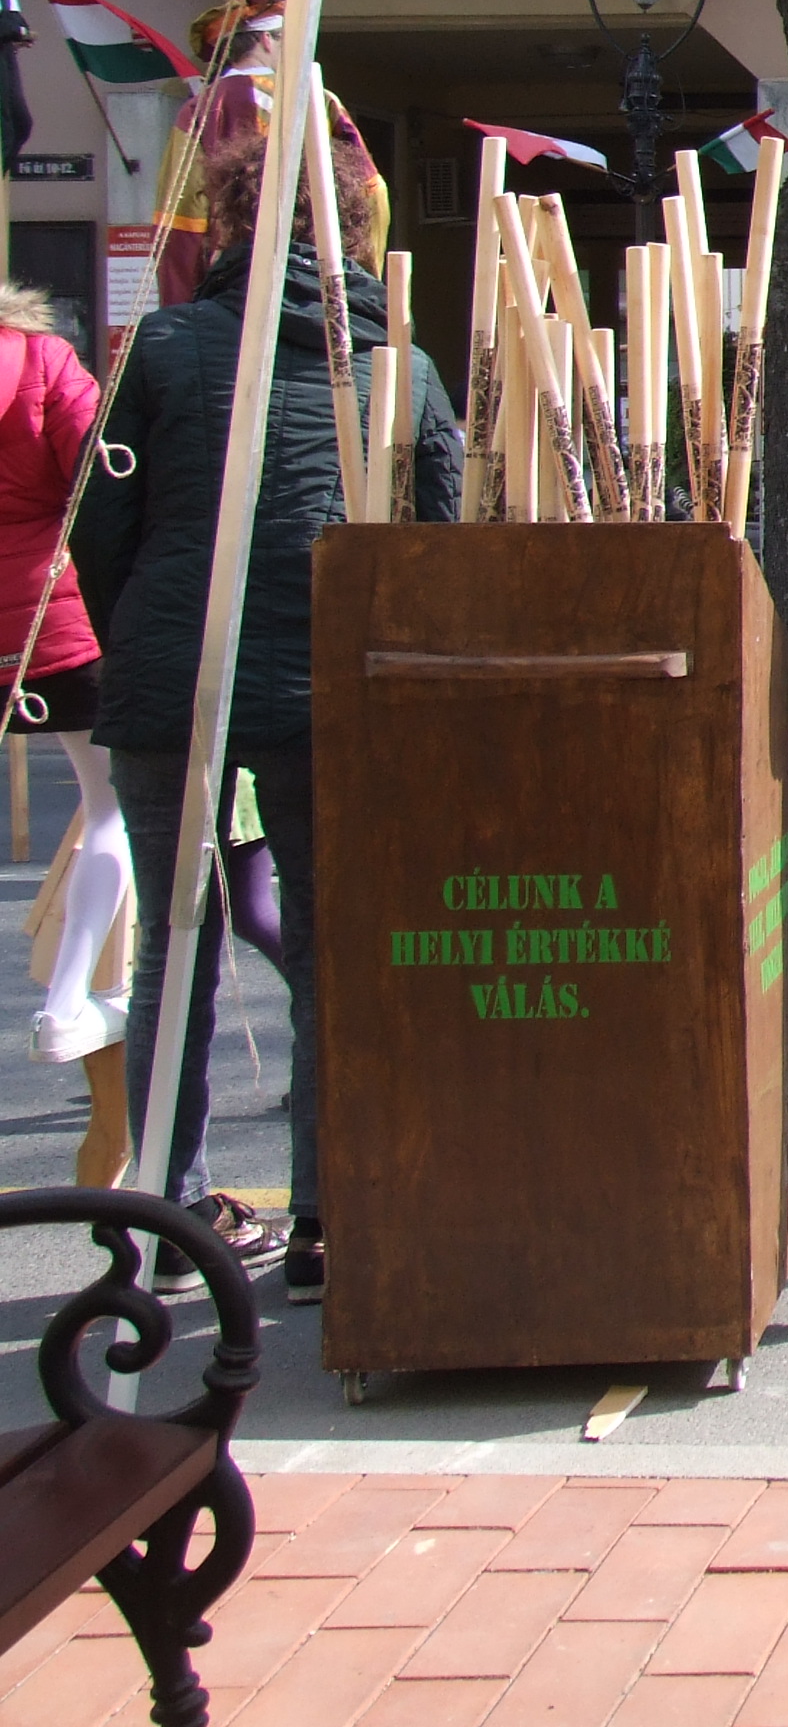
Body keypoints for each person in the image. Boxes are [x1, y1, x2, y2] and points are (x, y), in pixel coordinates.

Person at [78, 133, 460, 1302]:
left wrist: (144, 626)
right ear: (356, 230)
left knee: (174, 945)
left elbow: (101, 525)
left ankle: (168, 1212)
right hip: (321, 681)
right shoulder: (398, 364)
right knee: (326, 945)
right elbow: (440, 536)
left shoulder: (166, 347)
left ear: (231, 224)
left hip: (174, 671)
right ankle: (324, 1219)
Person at [2, 285, 126, 1071]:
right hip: (53, 613)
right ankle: (65, 1003)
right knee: (110, 803)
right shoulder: (46, 361)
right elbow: (100, 476)